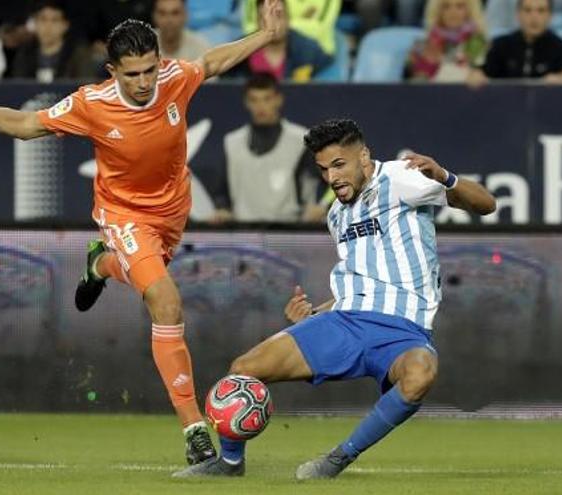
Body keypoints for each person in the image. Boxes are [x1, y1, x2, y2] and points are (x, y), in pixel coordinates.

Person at [0, 1, 288, 466]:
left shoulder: (174, 79)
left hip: (173, 213)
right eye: (132, 74)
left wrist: (264, 36)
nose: (144, 83)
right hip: (124, 214)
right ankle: (194, 430)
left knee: (149, 284)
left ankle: (100, 264)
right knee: (166, 300)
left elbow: (213, 61)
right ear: (112, 70)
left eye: (149, 71)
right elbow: (24, 125)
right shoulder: (90, 104)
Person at [172, 118, 496, 478]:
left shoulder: (402, 179)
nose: (332, 178)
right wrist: (314, 313)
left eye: (339, 165)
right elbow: (361, 281)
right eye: (324, 170)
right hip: (345, 322)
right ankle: (230, 462)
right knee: (244, 371)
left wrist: (445, 177)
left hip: (403, 333)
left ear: (364, 156)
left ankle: (337, 459)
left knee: (420, 375)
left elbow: (486, 204)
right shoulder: (337, 214)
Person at [211, 72, 321, 224]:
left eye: (267, 99)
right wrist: (222, 209)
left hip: (289, 231)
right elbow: (222, 193)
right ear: (246, 102)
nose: (260, 106)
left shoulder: (301, 139)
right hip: (243, 233)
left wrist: (318, 207)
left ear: (278, 100)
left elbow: (320, 182)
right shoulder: (231, 142)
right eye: (254, 100)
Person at [468, 0, 562, 85]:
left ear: (550, 16)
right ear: (518, 14)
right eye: (527, 10)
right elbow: (484, 72)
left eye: (541, 10)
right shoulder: (501, 45)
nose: (534, 17)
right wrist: (477, 75)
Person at [227, 0, 333, 82]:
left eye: (279, 16)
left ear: (288, 19)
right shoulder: (238, 52)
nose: (273, 24)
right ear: (257, 21)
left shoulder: (309, 51)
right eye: (266, 18)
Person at [9, 0, 95, 82]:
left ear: (65, 25)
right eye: (43, 19)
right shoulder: (25, 52)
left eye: (54, 20)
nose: (48, 26)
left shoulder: (78, 54)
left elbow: (86, 87)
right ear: (35, 23)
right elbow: (18, 86)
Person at [406, 0, 488, 82]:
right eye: (446, 6)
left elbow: (488, 79)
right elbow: (409, 84)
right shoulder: (422, 45)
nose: (453, 12)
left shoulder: (479, 42)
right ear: (438, 11)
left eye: (459, 6)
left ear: (469, 10)